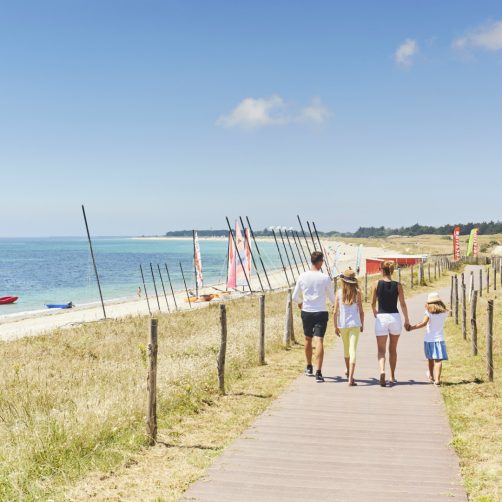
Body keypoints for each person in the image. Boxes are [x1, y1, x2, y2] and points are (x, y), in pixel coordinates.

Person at [293, 251, 335, 383]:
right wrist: (336, 307)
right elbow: (332, 298)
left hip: (307, 311)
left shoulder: (302, 276)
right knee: (320, 341)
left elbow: (295, 296)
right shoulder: (325, 278)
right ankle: (319, 372)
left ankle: (309, 366)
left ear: (311, 261)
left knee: (308, 338)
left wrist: (301, 303)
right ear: (320, 262)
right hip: (321, 311)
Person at [370, 260, 410, 387]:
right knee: (393, 349)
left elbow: (372, 302)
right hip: (395, 317)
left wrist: (374, 312)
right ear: (392, 271)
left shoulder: (376, 283)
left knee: (381, 350)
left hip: (382, 317)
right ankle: (392, 376)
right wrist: (407, 320)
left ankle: (382, 370)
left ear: (382, 270)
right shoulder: (398, 285)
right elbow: (403, 304)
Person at [407, 292, 448, 386]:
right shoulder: (444, 312)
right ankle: (437, 380)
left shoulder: (428, 313)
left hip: (429, 339)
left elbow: (423, 323)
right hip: (440, 339)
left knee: (430, 359)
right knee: (438, 360)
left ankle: (431, 376)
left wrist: (412, 327)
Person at [334, 268, 364, 386]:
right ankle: (351, 377)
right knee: (353, 350)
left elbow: (335, 312)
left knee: (346, 350)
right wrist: (362, 324)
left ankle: (348, 372)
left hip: (343, 325)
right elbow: (361, 311)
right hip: (355, 324)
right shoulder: (358, 293)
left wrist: (335, 327)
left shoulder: (339, 293)